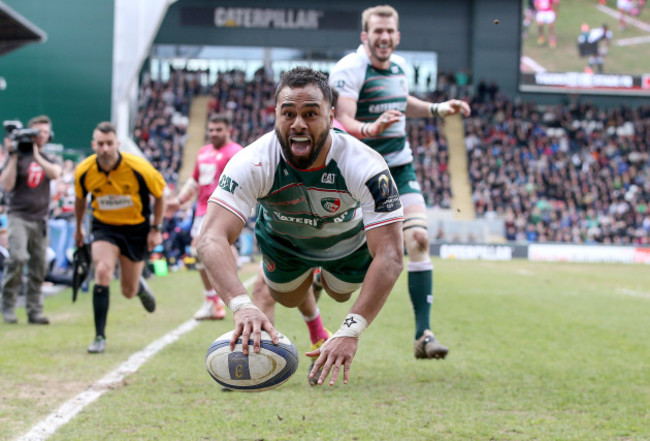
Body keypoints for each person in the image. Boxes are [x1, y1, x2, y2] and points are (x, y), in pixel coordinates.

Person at [197, 66, 404, 386]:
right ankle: (311, 283)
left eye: (311, 113)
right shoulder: (252, 162)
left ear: (332, 116)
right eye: (288, 113)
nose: (298, 123)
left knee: (339, 295)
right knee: (289, 298)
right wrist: (240, 306)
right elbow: (211, 237)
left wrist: (351, 331)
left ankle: (322, 278)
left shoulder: (366, 165)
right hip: (285, 245)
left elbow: (390, 254)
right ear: (276, 115)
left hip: (347, 247)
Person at [329, 5, 471, 360]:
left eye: (390, 31)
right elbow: (343, 118)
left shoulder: (401, 67)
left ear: (397, 36)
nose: (384, 37)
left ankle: (423, 335)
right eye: (378, 31)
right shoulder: (349, 68)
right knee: (343, 278)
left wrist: (438, 108)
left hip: (398, 167)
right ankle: (317, 322)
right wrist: (370, 129)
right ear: (365, 36)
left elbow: (399, 101)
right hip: (357, 172)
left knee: (419, 239)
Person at [74, 122, 167, 353]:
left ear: (118, 144)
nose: (105, 148)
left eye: (109, 143)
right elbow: (79, 199)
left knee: (128, 291)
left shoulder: (139, 167)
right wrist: (78, 228)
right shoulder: (84, 170)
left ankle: (139, 287)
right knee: (103, 271)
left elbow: (160, 195)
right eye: (100, 144)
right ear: (93, 145)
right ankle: (99, 337)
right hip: (104, 227)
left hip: (135, 229)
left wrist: (155, 228)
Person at [166, 113, 243, 320]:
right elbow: (194, 181)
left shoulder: (236, 152)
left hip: (225, 207)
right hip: (201, 209)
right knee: (200, 251)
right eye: (211, 130)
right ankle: (214, 300)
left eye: (219, 130)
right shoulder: (202, 152)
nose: (214, 133)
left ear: (229, 130)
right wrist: (178, 201)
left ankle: (220, 298)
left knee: (202, 247)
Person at [0, 115, 62, 324]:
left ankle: (34, 310)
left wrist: (37, 155)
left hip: (40, 219)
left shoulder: (49, 158)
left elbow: (55, 174)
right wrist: (15, 155)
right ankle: (7, 305)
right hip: (19, 216)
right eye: (37, 132)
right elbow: (6, 185)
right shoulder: (17, 156)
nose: (41, 136)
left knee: (39, 265)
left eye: (44, 132)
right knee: (17, 258)